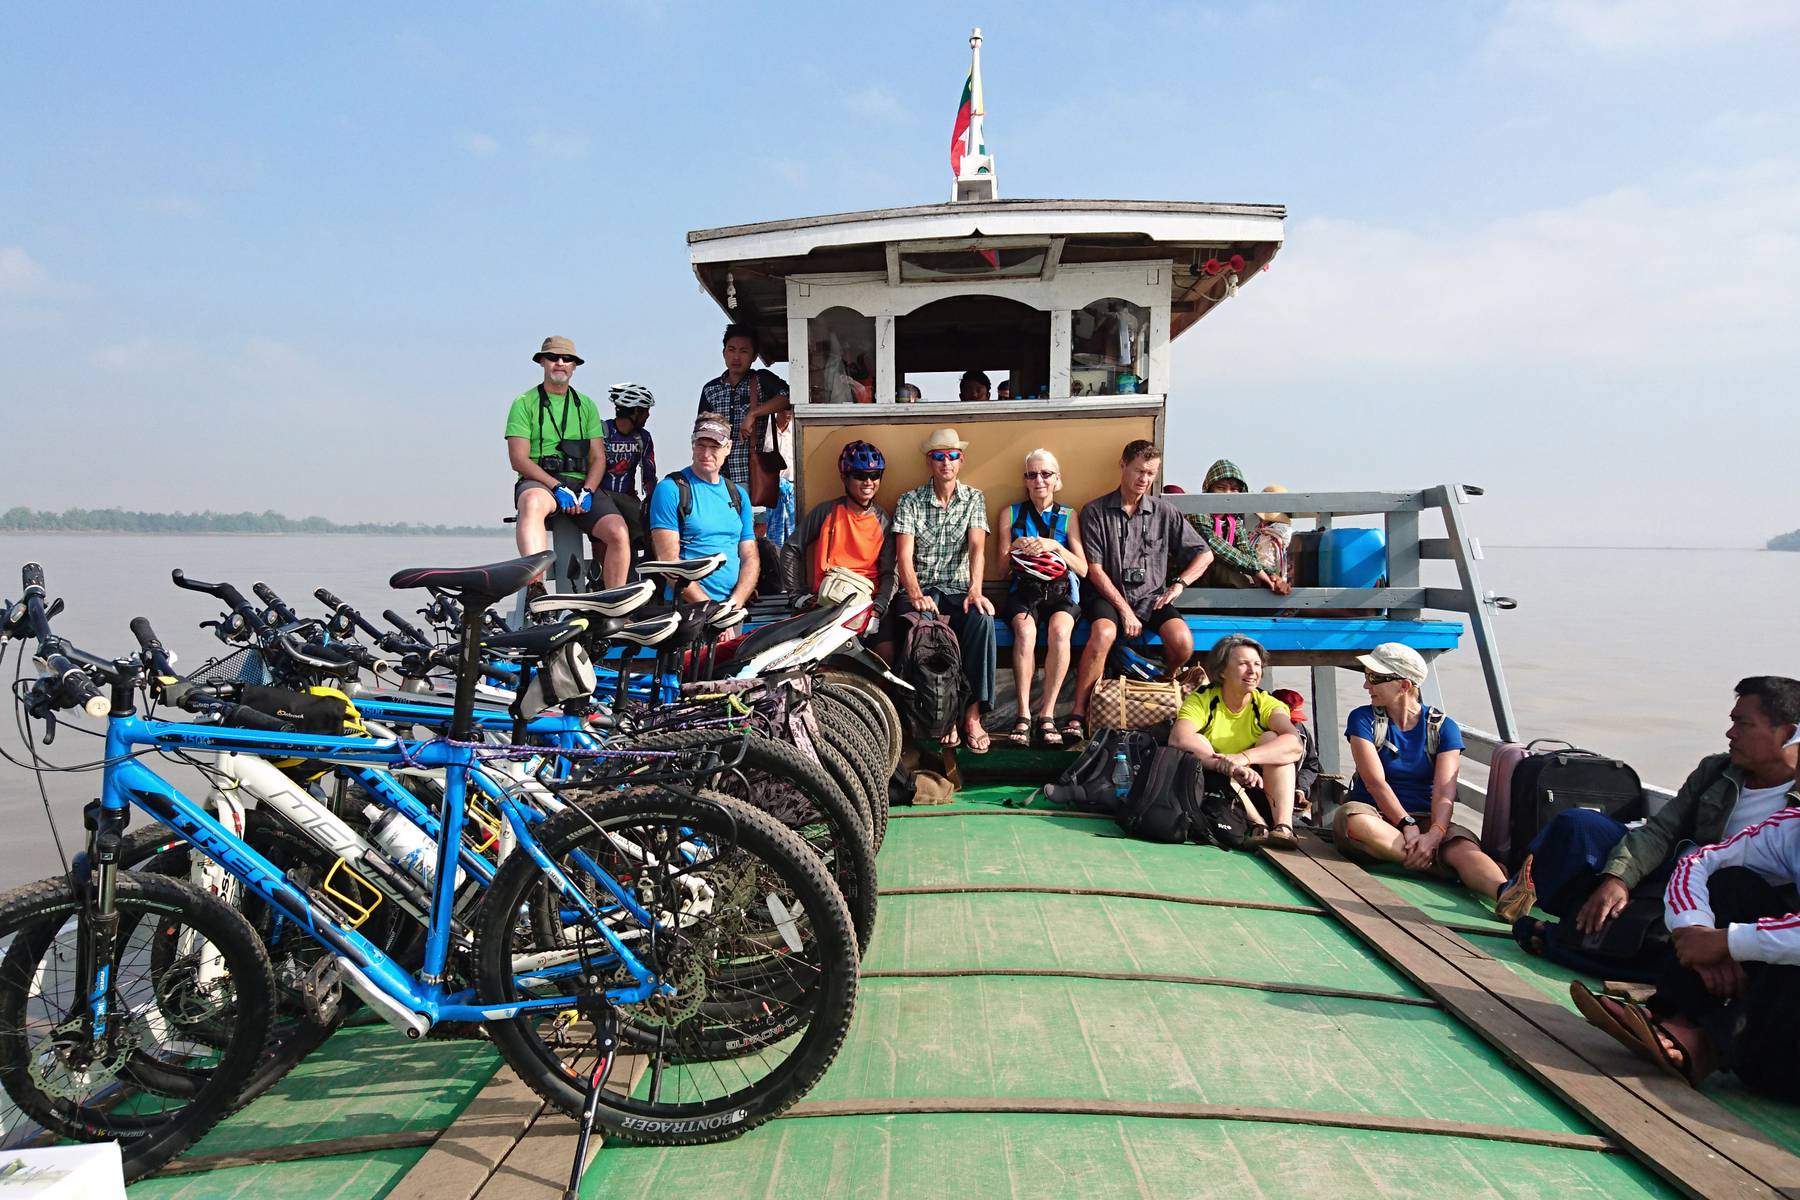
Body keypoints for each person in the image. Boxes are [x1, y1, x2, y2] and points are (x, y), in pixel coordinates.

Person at [1504, 677, 1800, 962]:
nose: (1730, 733)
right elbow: (1661, 830)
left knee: (1726, 888)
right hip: (1681, 871)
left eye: (1743, 724)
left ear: (1786, 734)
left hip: (1732, 899)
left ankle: (1566, 938)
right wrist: (1618, 877)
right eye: (1732, 721)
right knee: (1580, 826)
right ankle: (1536, 901)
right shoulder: (1716, 771)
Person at [1573, 726, 1800, 1097]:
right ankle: (1677, 1018)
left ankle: (1703, 1043)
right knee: (1732, 883)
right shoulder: (1791, 828)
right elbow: (1699, 860)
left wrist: (1728, 942)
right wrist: (1695, 930)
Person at [1332, 643, 1515, 898]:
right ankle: (1439, 868)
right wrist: (1406, 824)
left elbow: (1444, 791)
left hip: (1427, 819)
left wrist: (1436, 833)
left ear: (1405, 685)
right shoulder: (1363, 719)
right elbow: (1375, 782)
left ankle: (1505, 895)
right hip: (1377, 815)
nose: (1367, 685)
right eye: (1366, 676)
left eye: (1374, 678)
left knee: (1462, 846)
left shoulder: (1443, 728)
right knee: (1353, 819)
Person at [1070, 440, 1212, 734]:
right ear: (1123, 465)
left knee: (1183, 642)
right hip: (1107, 595)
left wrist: (1179, 584)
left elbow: (1205, 554)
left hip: (1151, 597)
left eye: (1151, 474)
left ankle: (1164, 682)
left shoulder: (1165, 512)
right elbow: (1094, 570)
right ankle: (1079, 712)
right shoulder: (1095, 511)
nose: (1144, 480)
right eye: (1139, 471)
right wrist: (1125, 612)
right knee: (1103, 634)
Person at [892, 428, 996, 752]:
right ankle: (940, 714)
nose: (946, 462)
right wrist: (914, 594)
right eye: (939, 456)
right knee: (925, 627)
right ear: (929, 462)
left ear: (961, 460)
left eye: (952, 456)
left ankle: (972, 715)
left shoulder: (975, 498)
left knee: (983, 621)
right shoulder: (909, 500)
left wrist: (975, 590)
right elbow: (904, 556)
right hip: (922, 589)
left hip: (958, 589)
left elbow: (978, 547)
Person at [503, 336, 632, 587]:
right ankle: (536, 587)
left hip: (580, 483)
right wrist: (555, 486)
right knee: (531, 503)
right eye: (553, 358)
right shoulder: (524, 403)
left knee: (618, 532)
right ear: (542, 362)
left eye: (567, 359)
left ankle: (614, 601)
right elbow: (518, 459)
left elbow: (598, 457)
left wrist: (588, 490)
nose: (560, 363)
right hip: (540, 481)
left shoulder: (586, 405)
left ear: (574, 366)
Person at [1169, 635, 1305, 849]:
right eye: (1243, 664)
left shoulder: (1266, 703)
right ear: (1222, 671)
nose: (1253, 671)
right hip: (1218, 787)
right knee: (1198, 740)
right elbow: (1178, 739)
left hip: (1261, 788)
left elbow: (1295, 744)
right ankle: (1257, 825)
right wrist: (1226, 766)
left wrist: (1243, 759)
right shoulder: (1203, 699)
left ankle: (1283, 827)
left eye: (1257, 664)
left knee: (1274, 739)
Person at [994, 449, 1088, 747]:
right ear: (1025, 480)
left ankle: (1047, 714)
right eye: (1032, 474)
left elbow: (1083, 568)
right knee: (1025, 632)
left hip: (1061, 591)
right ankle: (1023, 715)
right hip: (1024, 591)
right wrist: (1015, 548)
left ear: (1057, 480)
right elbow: (1000, 568)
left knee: (1061, 631)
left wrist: (1053, 546)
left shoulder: (1068, 515)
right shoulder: (1010, 514)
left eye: (1046, 474)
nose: (1039, 480)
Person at [780, 440, 897, 658]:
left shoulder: (883, 521)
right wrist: (796, 595)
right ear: (844, 477)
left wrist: (879, 609)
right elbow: (791, 549)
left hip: (867, 603)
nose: (868, 482)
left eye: (875, 475)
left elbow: (890, 573)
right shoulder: (827, 512)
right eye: (860, 476)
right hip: (825, 603)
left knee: (886, 658)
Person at [646, 414, 758, 608]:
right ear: (692, 445)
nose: (706, 454)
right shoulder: (671, 489)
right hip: (687, 608)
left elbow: (749, 556)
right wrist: (711, 609)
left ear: (728, 448)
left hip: (730, 608)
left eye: (714, 447)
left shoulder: (738, 495)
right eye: (700, 445)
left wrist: (735, 603)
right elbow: (668, 563)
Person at [698, 323, 791, 495]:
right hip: (715, 476)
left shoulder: (762, 380)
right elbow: (701, 434)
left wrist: (754, 413)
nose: (736, 357)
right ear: (724, 352)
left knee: (748, 521)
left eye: (744, 351)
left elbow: (788, 397)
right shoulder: (710, 390)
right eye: (732, 350)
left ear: (754, 356)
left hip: (751, 476)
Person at [1188, 459, 1290, 594]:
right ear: (1209, 489)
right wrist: (1258, 571)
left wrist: (1270, 574)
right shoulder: (1198, 513)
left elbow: (1246, 550)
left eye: (1234, 489)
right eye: (1221, 488)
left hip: (1221, 578)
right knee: (1227, 571)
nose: (1228, 494)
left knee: (1262, 580)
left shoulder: (1234, 520)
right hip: (1194, 574)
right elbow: (1218, 547)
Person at [599, 382, 658, 558]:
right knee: (603, 545)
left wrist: (652, 503)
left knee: (652, 532)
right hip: (601, 498)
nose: (648, 414)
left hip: (627, 498)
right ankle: (601, 580)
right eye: (645, 410)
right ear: (634, 411)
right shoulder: (602, 431)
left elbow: (649, 476)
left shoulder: (643, 437)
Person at [1269, 687, 1321, 823]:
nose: (1292, 726)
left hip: (1290, 802)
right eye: (1289, 721)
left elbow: (1310, 764)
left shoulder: (1302, 731)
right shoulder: (1256, 729)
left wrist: (1300, 789)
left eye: (1295, 721)